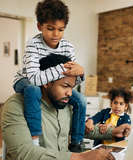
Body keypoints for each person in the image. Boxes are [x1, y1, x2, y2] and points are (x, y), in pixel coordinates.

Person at [1, 73, 131, 160]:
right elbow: (24, 153)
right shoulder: (16, 105)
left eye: (72, 87)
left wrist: (113, 132)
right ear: (47, 82)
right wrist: (82, 157)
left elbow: (81, 129)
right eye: (65, 86)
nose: (70, 93)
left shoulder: (64, 102)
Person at [13, 0, 86, 151]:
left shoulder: (67, 47)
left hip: (49, 83)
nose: (56, 34)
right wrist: (61, 68)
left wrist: (80, 72)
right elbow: (34, 78)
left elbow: (70, 79)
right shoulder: (33, 45)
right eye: (50, 28)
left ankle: (76, 142)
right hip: (25, 79)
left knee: (80, 100)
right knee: (33, 90)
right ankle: (34, 139)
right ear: (40, 26)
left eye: (60, 29)